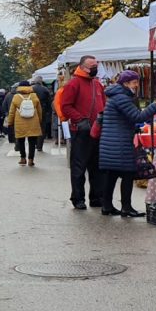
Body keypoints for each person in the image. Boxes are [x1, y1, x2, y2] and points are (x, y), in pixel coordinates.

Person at [99, 70, 156, 217]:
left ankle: (107, 206)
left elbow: (124, 119)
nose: (137, 85)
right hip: (119, 143)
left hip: (111, 142)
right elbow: (137, 116)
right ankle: (126, 207)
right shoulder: (122, 98)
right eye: (134, 82)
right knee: (128, 173)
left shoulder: (115, 96)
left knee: (111, 174)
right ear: (126, 83)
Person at [60, 55, 106, 210]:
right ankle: (78, 198)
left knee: (97, 167)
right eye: (92, 65)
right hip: (81, 131)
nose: (95, 67)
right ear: (83, 67)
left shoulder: (97, 84)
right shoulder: (73, 83)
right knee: (79, 167)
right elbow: (65, 105)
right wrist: (80, 119)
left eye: (96, 64)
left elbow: (104, 105)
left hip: (97, 131)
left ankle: (96, 197)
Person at [7, 80, 43, 166]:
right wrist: (40, 120)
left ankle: (23, 158)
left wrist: (10, 122)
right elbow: (39, 110)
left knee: (21, 140)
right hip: (33, 121)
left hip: (20, 122)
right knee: (32, 141)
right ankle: (31, 159)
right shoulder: (34, 96)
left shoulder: (16, 97)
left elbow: (11, 112)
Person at [31, 75, 53, 152]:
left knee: (33, 127)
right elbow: (49, 102)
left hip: (32, 110)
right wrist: (49, 112)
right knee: (42, 128)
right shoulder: (45, 89)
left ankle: (34, 144)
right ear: (41, 81)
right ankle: (40, 145)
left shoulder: (31, 89)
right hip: (43, 110)